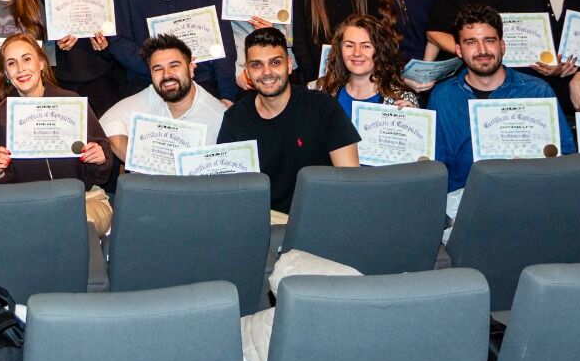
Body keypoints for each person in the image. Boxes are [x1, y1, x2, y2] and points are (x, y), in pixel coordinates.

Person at [429, 4, 574, 194]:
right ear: (458, 50)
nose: (482, 50)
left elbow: (567, 156)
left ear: (502, 46)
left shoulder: (538, 91)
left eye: (489, 40)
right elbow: (436, 164)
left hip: (529, 192)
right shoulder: (443, 96)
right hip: (464, 199)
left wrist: (533, 165)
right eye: (471, 42)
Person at [217, 27, 361, 215]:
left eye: (275, 62)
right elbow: (229, 192)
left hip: (319, 217)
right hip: (262, 222)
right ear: (247, 71)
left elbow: (351, 180)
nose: (267, 72)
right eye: (257, 65)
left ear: (289, 63)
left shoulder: (323, 107)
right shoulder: (235, 119)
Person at [0, 33, 116, 231]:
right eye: (12, 63)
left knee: (72, 225)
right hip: (30, 208)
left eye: (27, 59)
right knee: (37, 228)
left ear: (42, 63)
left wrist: (100, 158)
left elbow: (101, 173)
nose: (21, 69)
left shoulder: (72, 103)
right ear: (5, 73)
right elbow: (5, 189)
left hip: (84, 200)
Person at [100, 34, 228, 165]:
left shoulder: (219, 116)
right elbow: (109, 122)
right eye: (158, 69)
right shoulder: (151, 95)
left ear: (191, 69)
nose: (166, 75)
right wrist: (143, 163)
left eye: (174, 66)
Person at [318, 13, 418, 109]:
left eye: (366, 46)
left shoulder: (401, 100)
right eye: (349, 45)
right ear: (340, 50)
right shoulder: (327, 94)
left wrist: (414, 120)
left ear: (380, 50)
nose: (357, 53)